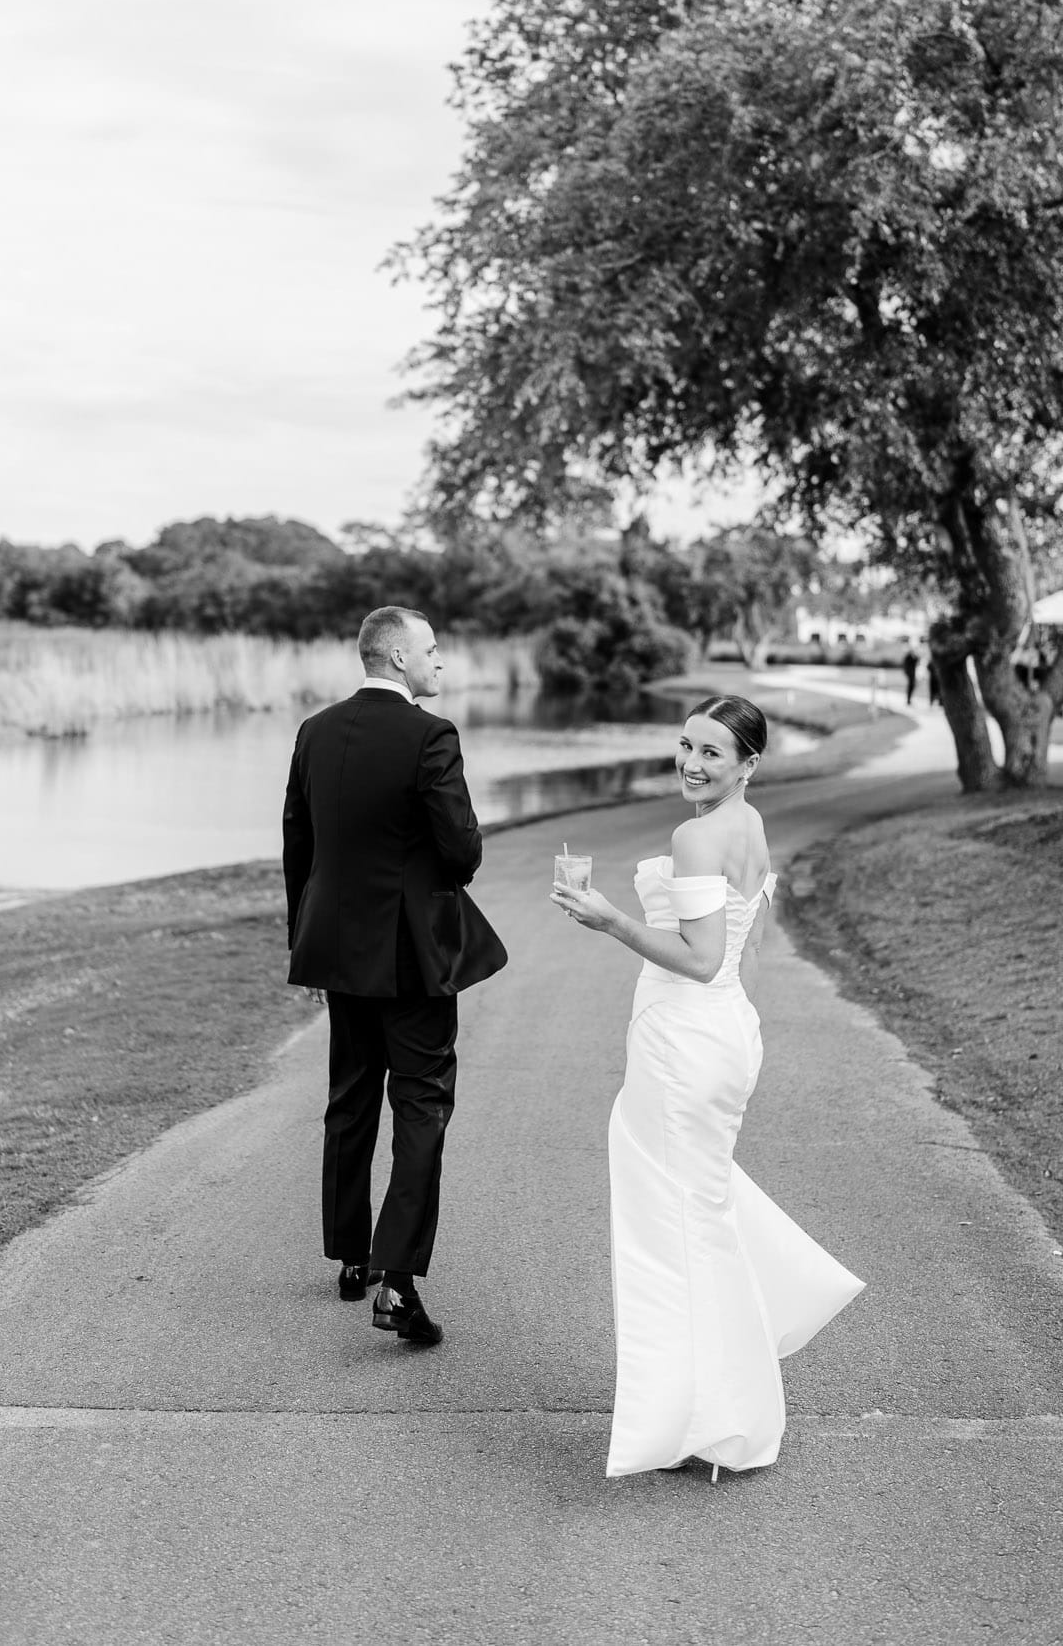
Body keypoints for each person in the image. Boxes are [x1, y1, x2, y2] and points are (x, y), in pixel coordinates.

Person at [551, 695, 863, 1478]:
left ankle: (708, 1419)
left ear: (749, 763)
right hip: (723, 1033)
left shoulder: (697, 836)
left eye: (712, 754)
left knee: (672, 1230)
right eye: (686, 744)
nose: (691, 762)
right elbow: (744, 952)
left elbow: (695, 956)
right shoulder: (752, 827)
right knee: (701, 1213)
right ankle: (711, 1411)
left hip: (682, 1041)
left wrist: (608, 919)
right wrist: (738, 1028)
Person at [283, 605, 507, 1347]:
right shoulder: (430, 736)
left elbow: (299, 847)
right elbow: (461, 851)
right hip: (412, 957)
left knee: (349, 1101)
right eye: (432, 652)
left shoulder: (314, 732)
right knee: (420, 1105)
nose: (440, 663)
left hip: (338, 951)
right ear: (398, 659)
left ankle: (352, 1258)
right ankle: (398, 1282)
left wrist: (304, 945)